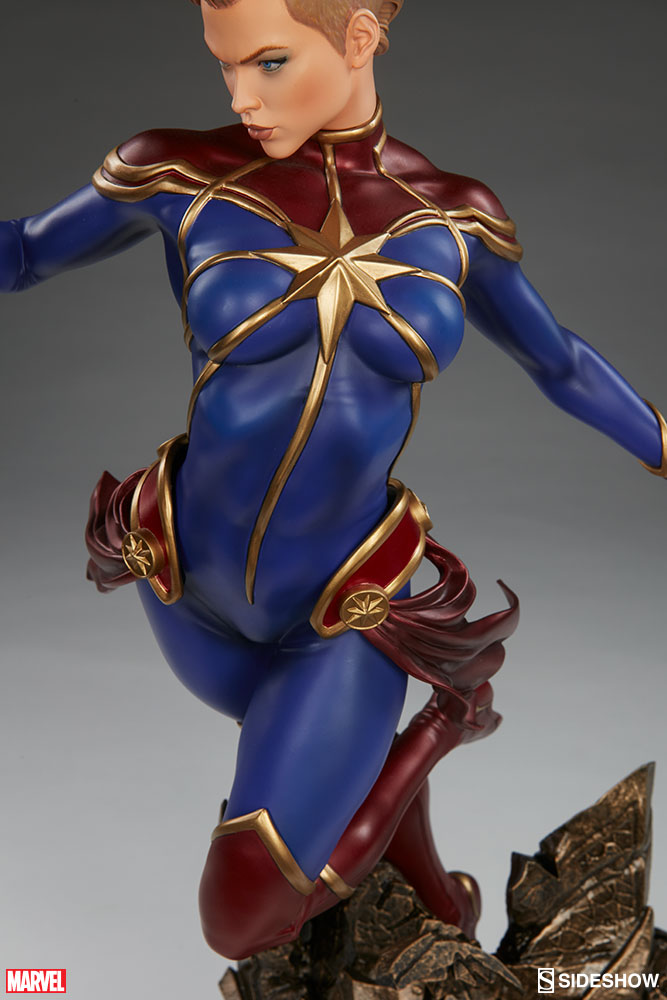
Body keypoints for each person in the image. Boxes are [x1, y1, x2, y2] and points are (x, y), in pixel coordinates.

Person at [1, 0, 664, 962]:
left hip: (339, 616)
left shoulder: (452, 217)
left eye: (268, 62)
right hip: (182, 583)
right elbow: (21, 251)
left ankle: (437, 731)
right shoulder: (181, 173)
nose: (241, 95)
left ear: (358, 35)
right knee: (331, 769)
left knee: (242, 917)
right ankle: (438, 899)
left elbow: (556, 361)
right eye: (224, 65)